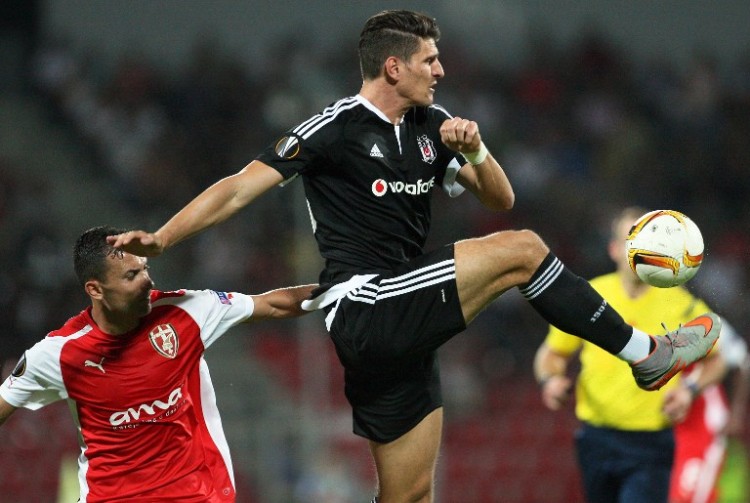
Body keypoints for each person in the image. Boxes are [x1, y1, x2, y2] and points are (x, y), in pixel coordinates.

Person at [108, 11, 720, 503]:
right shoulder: (334, 127)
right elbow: (240, 185)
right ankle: (647, 354)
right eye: (430, 59)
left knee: (409, 494)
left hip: (403, 322)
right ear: (393, 66)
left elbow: (501, 197)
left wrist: (476, 151)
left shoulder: (436, 124)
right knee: (526, 251)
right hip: (362, 304)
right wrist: (163, 238)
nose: (441, 69)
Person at [0, 225, 316, 502]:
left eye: (145, 269)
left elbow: (274, 304)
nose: (147, 281)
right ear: (95, 289)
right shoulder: (59, 354)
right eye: (131, 276)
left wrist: (344, 289)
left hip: (196, 495)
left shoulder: (186, 311)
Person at [533, 206, 730, 503]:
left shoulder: (680, 303)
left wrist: (690, 389)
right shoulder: (589, 296)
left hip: (651, 443)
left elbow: (718, 360)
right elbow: (551, 354)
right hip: (595, 438)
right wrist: (550, 380)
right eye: (631, 237)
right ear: (614, 249)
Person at [670, 322, 749, 503]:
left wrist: (736, 415)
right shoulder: (648, 314)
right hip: (664, 423)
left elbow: (741, 362)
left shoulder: (706, 321)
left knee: (686, 496)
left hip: (701, 422)